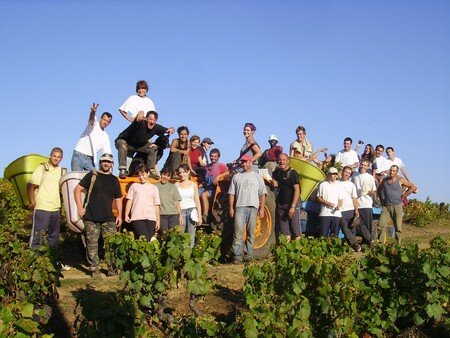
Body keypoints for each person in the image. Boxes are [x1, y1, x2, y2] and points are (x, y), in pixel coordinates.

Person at [73, 153, 123, 277]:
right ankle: (94, 269)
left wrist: (120, 215)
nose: (106, 163)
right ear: (100, 162)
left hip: (108, 217)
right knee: (92, 244)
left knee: (112, 245)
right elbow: (77, 190)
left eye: (108, 161)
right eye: (103, 161)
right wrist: (80, 208)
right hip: (91, 216)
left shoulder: (114, 179)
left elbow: (118, 199)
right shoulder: (92, 175)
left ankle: (112, 269)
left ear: (112, 164)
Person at [228, 154, 267, 263]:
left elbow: (263, 193)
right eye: (242, 162)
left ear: (250, 162)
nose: (243, 164)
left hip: (253, 208)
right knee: (238, 232)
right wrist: (231, 207)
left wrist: (262, 209)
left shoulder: (257, 176)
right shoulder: (237, 177)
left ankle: (248, 255)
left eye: (245, 162)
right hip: (240, 207)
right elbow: (231, 193)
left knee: (251, 233)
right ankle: (237, 256)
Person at [115, 110, 175, 179]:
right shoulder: (140, 123)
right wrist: (141, 112)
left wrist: (172, 129)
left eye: (154, 120)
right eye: (150, 119)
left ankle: (151, 170)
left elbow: (171, 129)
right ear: (145, 118)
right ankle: (122, 169)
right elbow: (138, 117)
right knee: (122, 144)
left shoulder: (156, 127)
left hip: (139, 146)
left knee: (153, 148)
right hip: (126, 142)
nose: (152, 122)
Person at [27, 148, 67, 251]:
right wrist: (32, 202)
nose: (56, 158)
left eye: (59, 157)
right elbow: (31, 185)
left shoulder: (62, 171)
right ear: (50, 155)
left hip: (55, 208)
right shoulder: (43, 168)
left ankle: (51, 260)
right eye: (54, 156)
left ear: (61, 158)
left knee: (54, 237)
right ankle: (33, 261)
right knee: (37, 235)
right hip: (42, 206)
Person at [377, 165, 417, 243]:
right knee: (380, 225)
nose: (391, 172)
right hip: (386, 207)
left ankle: (398, 244)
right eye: (391, 170)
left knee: (398, 227)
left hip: (397, 206)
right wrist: (382, 200)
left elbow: (412, 187)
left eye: (393, 171)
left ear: (396, 172)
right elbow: (379, 190)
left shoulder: (400, 180)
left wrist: (405, 195)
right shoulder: (385, 181)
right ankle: (380, 243)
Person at [338, 166, 374, 252]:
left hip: (350, 208)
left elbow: (354, 198)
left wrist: (356, 210)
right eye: (346, 172)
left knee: (358, 224)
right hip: (340, 210)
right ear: (342, 171)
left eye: (349, 173)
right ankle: (355, 245)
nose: (347, 174)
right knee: (345, 228)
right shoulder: (337, 183)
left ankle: (370, 240)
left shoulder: (351, 185)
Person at [71, 103, 112, 171]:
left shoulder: (105, 136)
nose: (105, 122)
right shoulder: (95, 124)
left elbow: (107, 152)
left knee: (94, 178)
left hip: (90, 159)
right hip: (79, 155)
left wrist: (110, 166)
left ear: (109, 123)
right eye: (104, 120)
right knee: (76, 178)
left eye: (108, 121)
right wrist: (93, 112)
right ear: (100, 118)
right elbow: (91, 119)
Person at [124, 164, 161, 241]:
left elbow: (156, 204)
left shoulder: (154, 188)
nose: (141, 177)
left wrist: (158, 220)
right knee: (145, 239)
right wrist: (126, 214)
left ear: (148, 173)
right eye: (139, 175)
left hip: (151, 218)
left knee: (149, 240)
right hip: (137, 217)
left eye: (143, 174)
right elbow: (129, 200)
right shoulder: (134, 186)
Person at [270, 153, 301, 241]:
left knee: (296, 232)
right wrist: (272, 180)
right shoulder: (276, 172)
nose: (282, 162)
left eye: (284, 160)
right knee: (285, 232)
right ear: (277, 161)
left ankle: (297, 252)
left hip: (292, 204)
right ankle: (287, 252)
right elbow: (270, 179)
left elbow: (297, 190)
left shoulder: (292, 172)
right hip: (281, 205)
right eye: (280, 160)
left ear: (287, 161)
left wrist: (293, 206)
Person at [175, 164, 202, 248]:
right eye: (180, 172)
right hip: (181, 212)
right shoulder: (176, 185)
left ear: (188, 172)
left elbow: (197, 201)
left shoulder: (194, 184)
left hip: (192, 212)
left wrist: (200, 216)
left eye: (184, 172)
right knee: (180, 236)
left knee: (191, 236)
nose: (181, 174)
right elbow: (176, 202)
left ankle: (189, 257)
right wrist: (179, 214)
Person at [199, 148, 228, 224]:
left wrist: (218, 177)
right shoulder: (207, 167)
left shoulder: (221, 166)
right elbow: (206, 181)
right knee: (195, 193)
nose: (213, 158)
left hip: (215, 189)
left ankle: (205, 215)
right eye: (211, 156)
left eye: (215, 156)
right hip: (207, 187)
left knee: (204, 194)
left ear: (218, 157)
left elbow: (228, 173)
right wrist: (198, 186)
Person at [315, 167, 343, 237]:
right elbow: (318, 197)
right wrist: (326, 203)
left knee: (334, 236)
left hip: (336, 214)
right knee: (323, 235)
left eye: (336, 174)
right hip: (325, 213)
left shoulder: (339, 185)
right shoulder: (323, 185)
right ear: (329, 175)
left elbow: (341, 199)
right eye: (333, 174)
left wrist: (338, 206)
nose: (334, 176)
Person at [353, 160, 378, 238]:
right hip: (357, 205)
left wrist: (366, 192)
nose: (363, 166)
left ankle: (368, 242)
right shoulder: (355, 177)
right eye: (362, 165)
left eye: (365, 165)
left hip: (366, 205)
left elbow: (374, 191)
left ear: (367, 167)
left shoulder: (370, 177)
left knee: (367, 226)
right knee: (356, 225)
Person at [155, 168, 183, 233]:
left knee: (173, 236)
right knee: (164, 235)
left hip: (173, 215)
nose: (165, 177)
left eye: (168, 176)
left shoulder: (173, 186)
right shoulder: (155, 186)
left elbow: (177, 202)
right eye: (164, 174)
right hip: (161, 215)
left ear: (170, 177)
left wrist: (180, 215)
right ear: (161, 174)